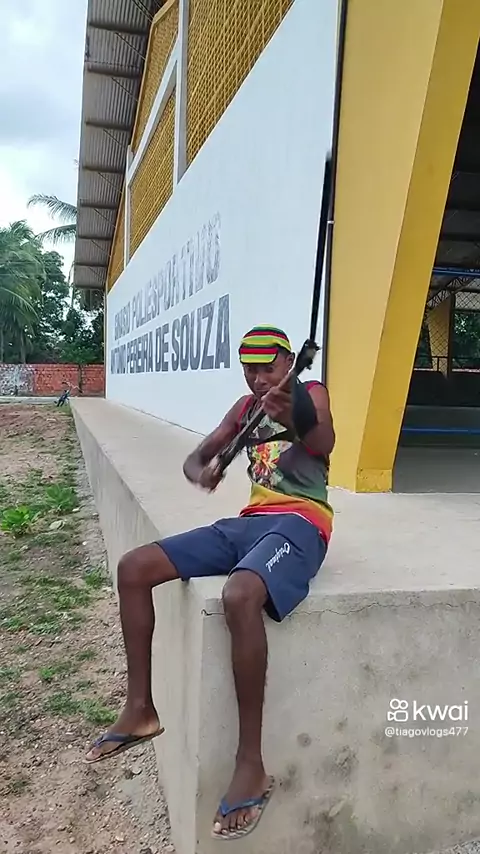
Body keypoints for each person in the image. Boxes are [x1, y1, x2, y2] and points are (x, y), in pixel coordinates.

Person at [85, 325, 335, 841]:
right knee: (134, 568)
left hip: (301, 523)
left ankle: (251, 765)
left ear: (289, 363)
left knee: (240, 593)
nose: (258, 378)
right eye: (249, 369)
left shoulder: (309, 393)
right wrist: (206, 469)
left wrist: (295, 413)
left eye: (268, 368)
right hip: (249, 523)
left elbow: (324, 440)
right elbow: (195, 458)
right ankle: (140, 709)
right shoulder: (245, 410)